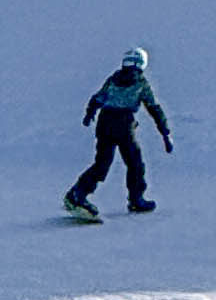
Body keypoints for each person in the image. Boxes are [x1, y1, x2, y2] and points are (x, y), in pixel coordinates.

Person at [67, 47, 171, 218]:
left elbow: (99, 97)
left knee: (102, 163)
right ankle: (136, 199)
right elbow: (154, 108)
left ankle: (78, 193)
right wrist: (165, 133)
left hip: (105, 122)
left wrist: (90, 113)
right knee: (135, 163)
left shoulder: (114, 78)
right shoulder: (140, 83)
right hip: (124, 124)